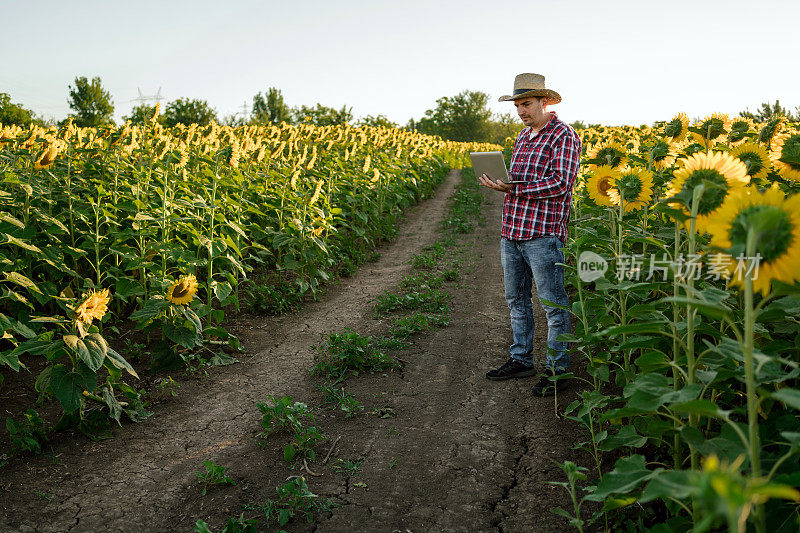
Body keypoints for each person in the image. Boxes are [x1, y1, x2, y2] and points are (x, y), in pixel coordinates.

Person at [478, 73, 581, 397]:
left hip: (543, 234)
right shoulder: (522, 138)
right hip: (512, 231)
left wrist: (516, 188)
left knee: (553, 304)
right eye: (517, 105)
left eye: (526, 104)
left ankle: (558, 370)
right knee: (516, 300)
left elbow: (560, 184)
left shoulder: (563, 135)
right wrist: (501, 184)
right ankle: (521, 359)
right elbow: (517, 181)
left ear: (544, 102)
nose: (521, 111)